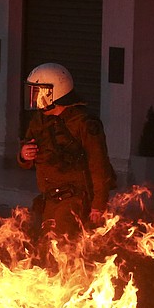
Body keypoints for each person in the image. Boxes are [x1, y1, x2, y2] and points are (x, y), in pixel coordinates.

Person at [18, 63, 116, 239]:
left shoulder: (84, 123)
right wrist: (24, 155)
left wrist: (98, 204)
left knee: (63, 246)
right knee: (39, 244)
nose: (37, 99)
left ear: (57, 92)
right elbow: (26, 148)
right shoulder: (39, 120)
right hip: (49, 197)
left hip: (75, 199)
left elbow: (98, 164)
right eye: (34, 92)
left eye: (41, 93)